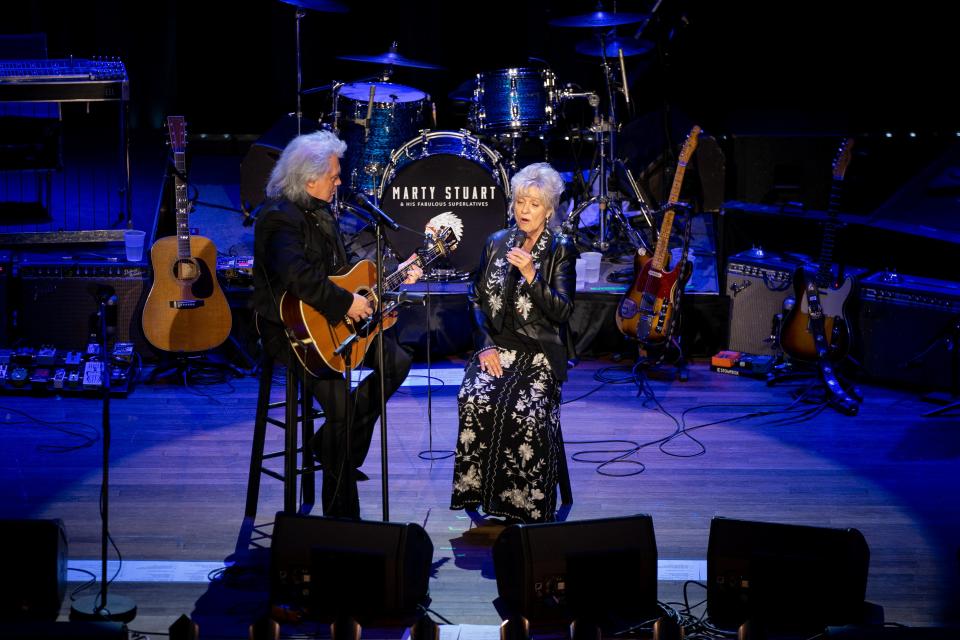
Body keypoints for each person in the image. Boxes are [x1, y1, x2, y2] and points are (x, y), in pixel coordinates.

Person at [253, 130, 421, 519]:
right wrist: (348, 302)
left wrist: (392, 278)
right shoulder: (278, 219)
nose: (339, 181)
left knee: (397, 361)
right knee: (342, 410)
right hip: (291, 331)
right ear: (309, 178)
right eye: (334, 175)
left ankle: (328, 445)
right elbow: (299, 279)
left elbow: (342, 275)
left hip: (330, 321)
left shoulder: (324, 212)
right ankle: (341, 518)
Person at [450, 162, 578, 524]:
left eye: (534, 204)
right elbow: (475, 297)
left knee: (525, 411)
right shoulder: (496, 242)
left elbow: (564, 311)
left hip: (540, 352)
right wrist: (485, 345)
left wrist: (531, 274)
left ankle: (525, 503)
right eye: (521, 202)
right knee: (474, 398)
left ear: (549, 210)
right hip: (495, 347)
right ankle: (478, 492)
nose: (525, 210)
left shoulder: (560, 249)